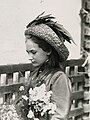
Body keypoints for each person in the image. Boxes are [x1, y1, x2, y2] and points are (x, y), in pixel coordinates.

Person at [17, 13, 73, 120]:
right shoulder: (35, 75)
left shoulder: (58, 78)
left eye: (33, 52)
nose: (30, 57)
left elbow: (60, 116)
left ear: (48, 50)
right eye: (28, 52)